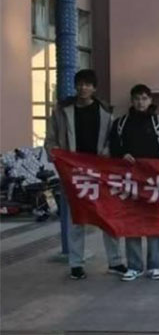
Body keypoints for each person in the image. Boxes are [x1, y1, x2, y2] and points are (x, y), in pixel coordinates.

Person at [45, 69, 125, 280]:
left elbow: (112, 140)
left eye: (88, 84)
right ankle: (76, 264)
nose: (83, 88)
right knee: (76, 219)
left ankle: (115, 261)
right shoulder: (62, 112)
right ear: (75, 86)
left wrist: (106, 154)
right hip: (73, 173)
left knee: (107, 216)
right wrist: (56, 154)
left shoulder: (106, 112)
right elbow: (50, 140)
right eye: (80, 84)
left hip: (100, 173)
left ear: (94, 88)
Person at [109, 84, 159, 281]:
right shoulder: (120, 123)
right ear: (131, 101)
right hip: (129, 181)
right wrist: (122, 155)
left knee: (153, 223)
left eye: (144, 98)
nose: (140, 102)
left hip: (153, 181)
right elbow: (113, 148)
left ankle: (155, 265)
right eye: (136, 98)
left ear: (150, 100)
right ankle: (134, 266)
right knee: (132, 222)